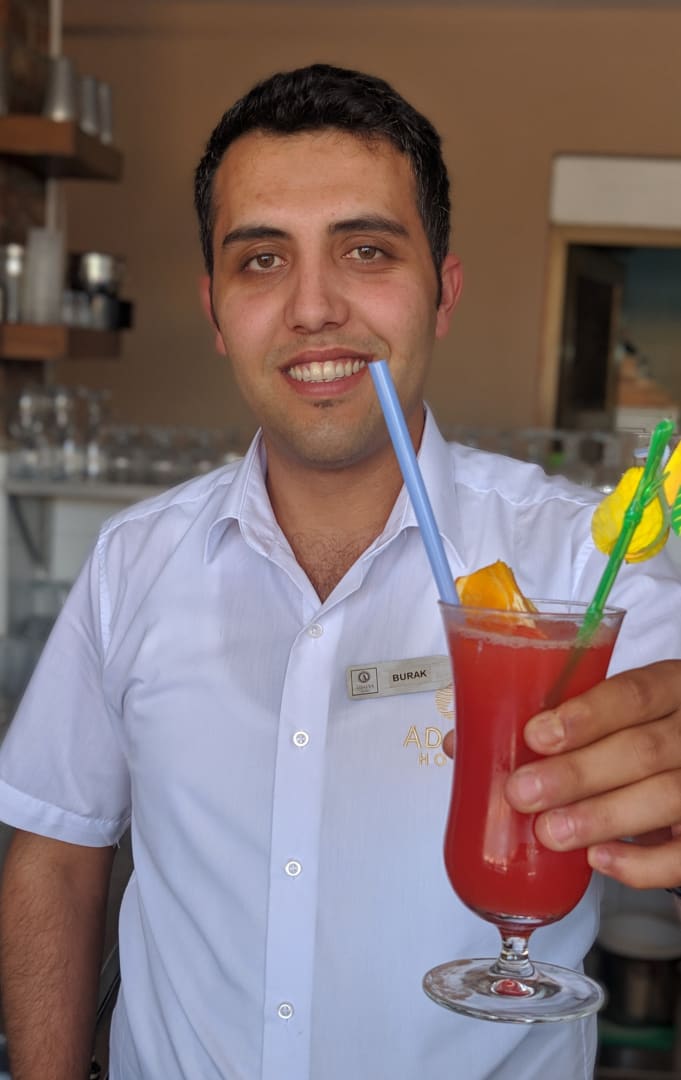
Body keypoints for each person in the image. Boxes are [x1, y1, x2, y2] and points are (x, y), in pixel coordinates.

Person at [0, 63, 679, 1080]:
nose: (314, 308)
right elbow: (58, 851)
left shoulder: (586, 565)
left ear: (443, 293)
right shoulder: (131, 563)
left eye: (366, 251)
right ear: (216, 310)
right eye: (262, 259)